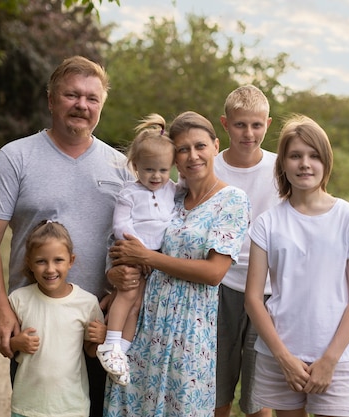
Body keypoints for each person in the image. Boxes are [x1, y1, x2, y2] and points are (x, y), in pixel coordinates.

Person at [0, 55, 135, 417]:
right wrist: (0, 309)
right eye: (71, 95)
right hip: (36, 323)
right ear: (50, 100)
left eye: (92, 98)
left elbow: (138, 240)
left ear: (101, 106)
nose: (82, 105)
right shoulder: (16, 157)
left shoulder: (120, 167)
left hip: (98, 326)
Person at [104, 111, 251, 417]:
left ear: (215, 145)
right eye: (183, 149)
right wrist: (117, 271)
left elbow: (214, 273)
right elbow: (123, 246)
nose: (192, 156)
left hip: (190, 331)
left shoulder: (232, 201)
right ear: (173, 158)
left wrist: (147, 257)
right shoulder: (168, 195)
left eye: (200, 146)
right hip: (144, 322)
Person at [244, 114, 349, 417]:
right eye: (295, 156)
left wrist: (330, 359)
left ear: (326, 162)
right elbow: (253, 299)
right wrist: (284, 359)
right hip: (281, 355)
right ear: (283, 164)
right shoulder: (268, 222)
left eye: (314, 155)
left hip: (336, 356)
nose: (305, 163)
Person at [97, 113, 177, 386]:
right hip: (133, 253)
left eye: (163, 170)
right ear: (135, 166)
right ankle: (110, 343)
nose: (156, 176)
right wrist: (138, 251)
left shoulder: (172, 190)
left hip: (155, 260)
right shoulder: (129, 193)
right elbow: (121, 225)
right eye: (149, 169)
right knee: (127, 294)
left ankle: (122, 353)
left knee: (138, 304)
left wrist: (153, 257)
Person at [214, 85, 276, 417]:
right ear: (225, 123)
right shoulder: (208, 167)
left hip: (268, 291)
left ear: (267, 123)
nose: (248, 133)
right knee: (215, 387)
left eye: (256, 125)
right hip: (218, 285)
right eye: (240, 125)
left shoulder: (282, 169)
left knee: (259, 395)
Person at [9, 220, 105, 417]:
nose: (50, 269)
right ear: (29, 262)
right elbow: (5, 344)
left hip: (71, 406)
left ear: (71, 260)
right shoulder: (19, 300)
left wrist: (103, 338)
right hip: (28, 406)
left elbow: (91, 350)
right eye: (41, 261)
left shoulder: (87, 303)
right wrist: (16, 343)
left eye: (58, 260)